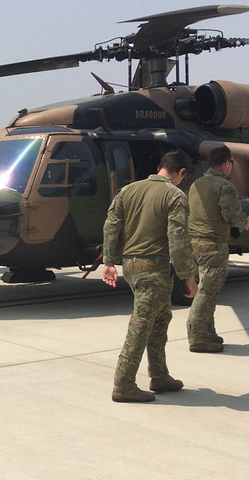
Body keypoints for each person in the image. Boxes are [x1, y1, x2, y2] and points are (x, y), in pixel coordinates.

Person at [102, 149, 198, 403]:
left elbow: (111, 225)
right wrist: (188, 276)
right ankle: (124, 383)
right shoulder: (175, 195)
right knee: (142, 324)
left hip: (131, 267)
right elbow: (178, 239)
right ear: (181, 172)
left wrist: (109, 261)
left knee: (159, 320)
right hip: (153, 268)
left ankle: (159, 375)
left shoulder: (128, 190)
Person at [186, 145, 249, 353]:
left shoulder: (197, 184)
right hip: (212, 245)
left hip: (195, 244)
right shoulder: (224, 186)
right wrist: (245, 222)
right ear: (225, 164)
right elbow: (233, 217)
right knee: (207, 291)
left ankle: (207, 332)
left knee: (207, 289)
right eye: (231, 163)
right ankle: (197, 337)